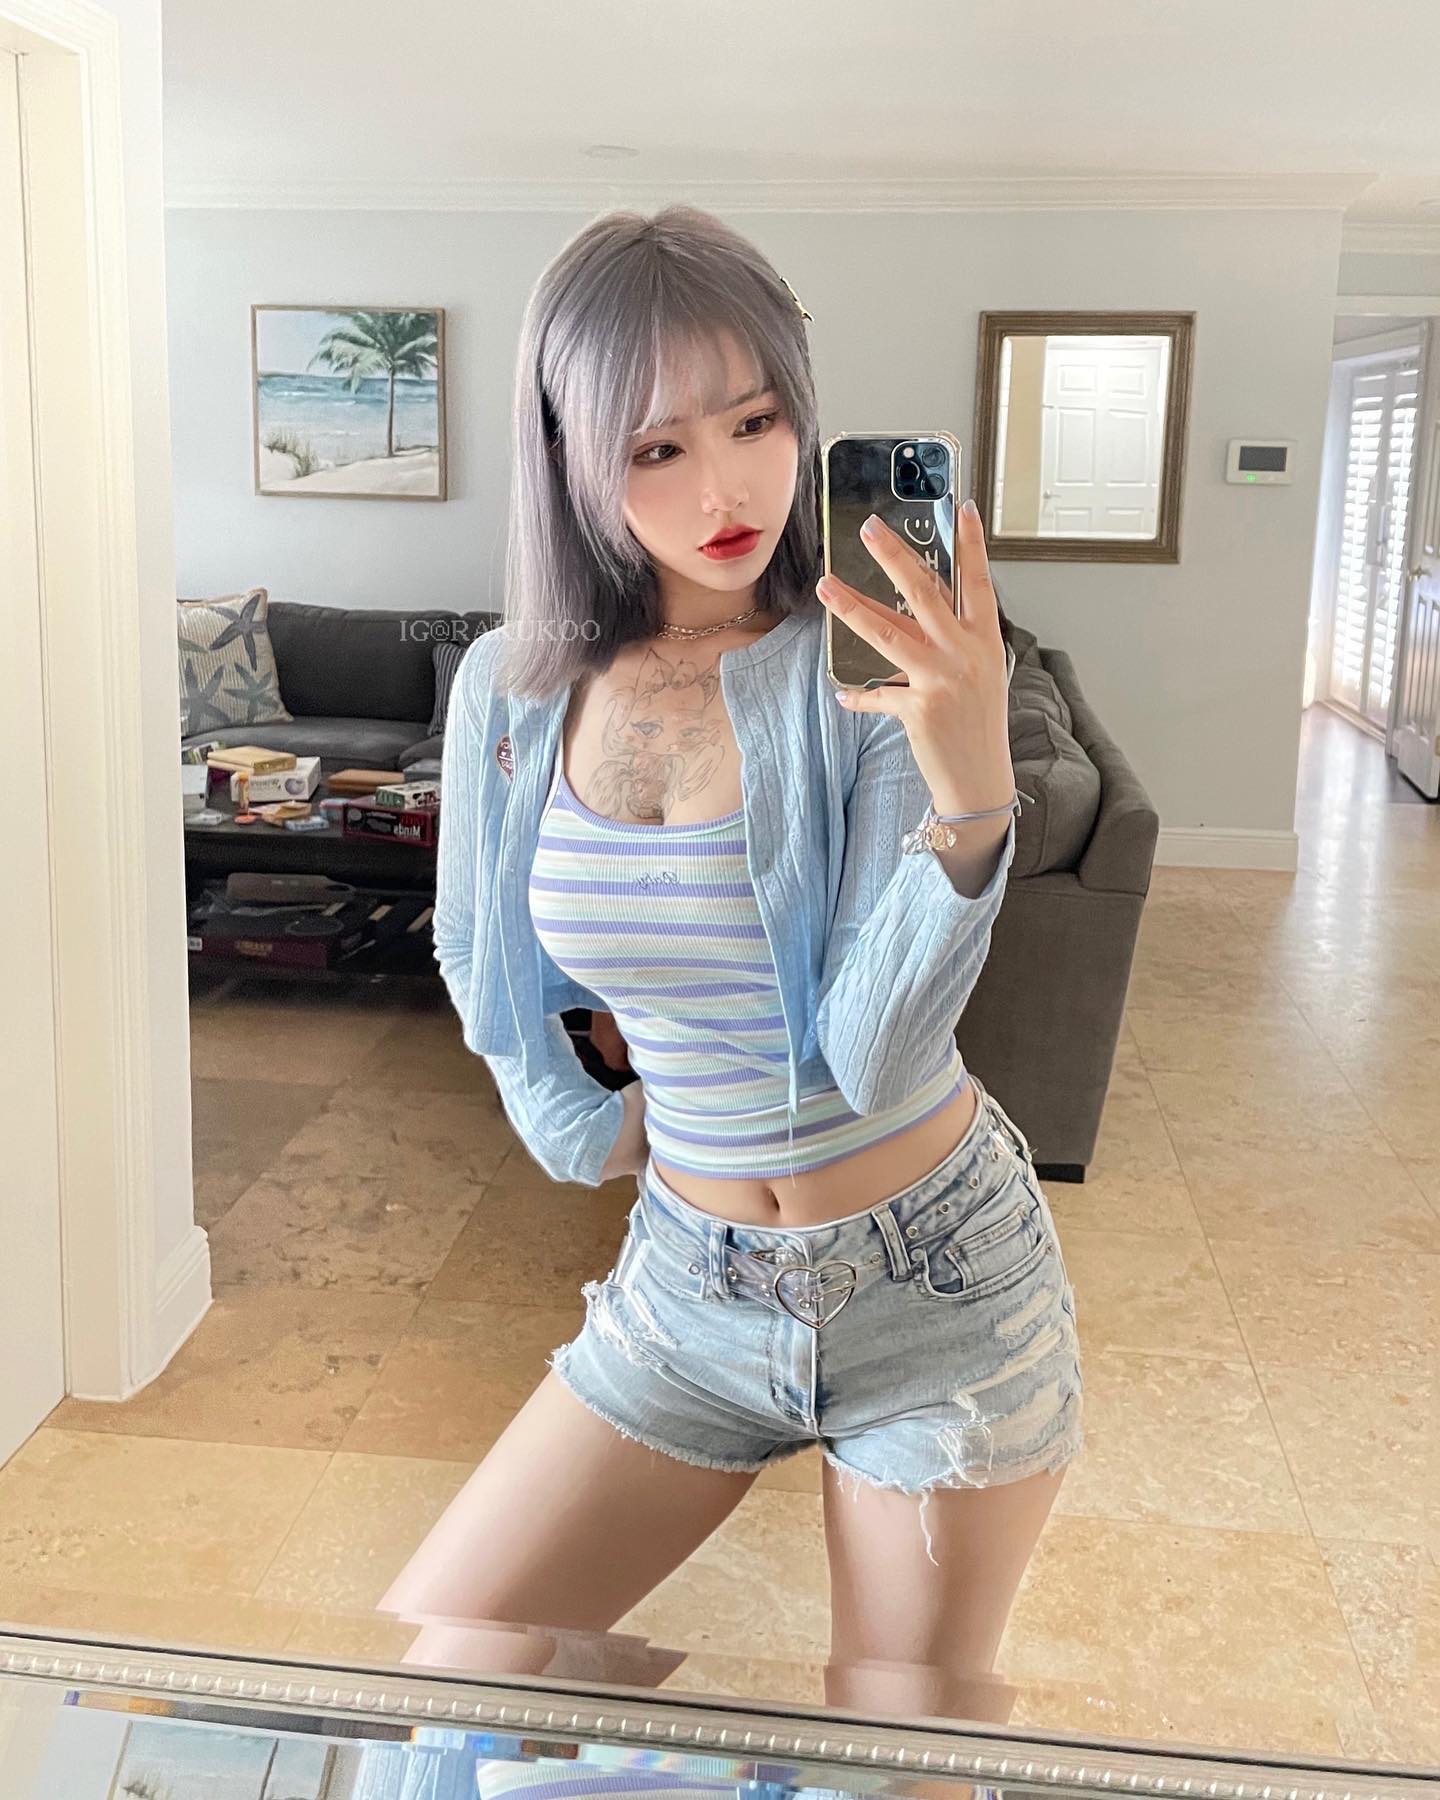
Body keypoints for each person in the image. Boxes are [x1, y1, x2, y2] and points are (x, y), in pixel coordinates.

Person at [378, 205, 1083, 1725]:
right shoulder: (512, 690)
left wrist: (971, 796)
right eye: (657, 448)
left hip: (934, 1278)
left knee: (902, 1729)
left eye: (756, 422)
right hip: (686, 1280)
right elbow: (480, 953)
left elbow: (872, 1053)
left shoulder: (865, 669)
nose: (726, 490)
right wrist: (584, 1128)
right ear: (572, 458)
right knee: (457, 1668)